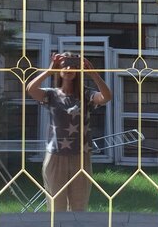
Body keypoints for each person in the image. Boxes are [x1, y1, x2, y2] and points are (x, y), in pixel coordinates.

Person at [26, 52, 112, 212]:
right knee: (56, 206)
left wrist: (94, 74)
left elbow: (106, 97)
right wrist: (49, 71)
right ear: (58, 69)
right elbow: (31, 89)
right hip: (55, 155)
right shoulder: (51, 94)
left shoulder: (86, 94)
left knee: (79, 206)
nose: (68, 69)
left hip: (80, 156)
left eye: (73, 66)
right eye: (64, 65)